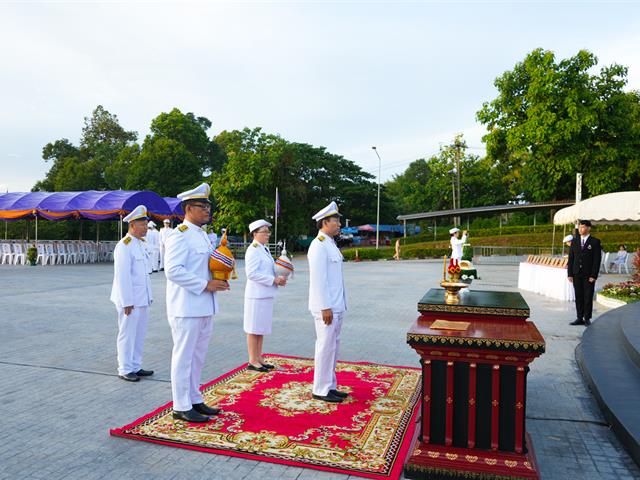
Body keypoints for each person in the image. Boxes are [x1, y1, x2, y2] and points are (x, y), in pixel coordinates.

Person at [164, 183, 230, 423]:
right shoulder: (179, 234)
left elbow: (204, 267)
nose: (208, 211)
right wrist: (205, 285)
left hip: (204, 305)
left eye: (208, 206)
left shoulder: (202, 235)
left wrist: (218, 279)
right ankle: (181, 405)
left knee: (197, 356)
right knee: (183, 356)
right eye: (203, 206)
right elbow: (173, 270)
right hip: (186, 306)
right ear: (189, 208)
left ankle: (194, 397)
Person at [308, 201, 348, 403]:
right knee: (324, 346)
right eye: (336, 220)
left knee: (332, 346)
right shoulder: (318, 246)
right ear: (325, 222)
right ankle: (320, 389)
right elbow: (318, 280)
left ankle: (330, 385)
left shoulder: (330, 243)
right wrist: (325, 306)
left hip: (336, 305)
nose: (339, 224)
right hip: (326, 307)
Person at [110, 205, 154, 382]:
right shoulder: (124, 246)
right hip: (129, 300)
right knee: (127, 334)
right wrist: (127, 301)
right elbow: (123, 276)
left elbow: (144, 274)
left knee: (139, 334)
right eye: (143, 224)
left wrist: (149, 296)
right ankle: (125, 368)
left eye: (146, 224)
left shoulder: (140, 244)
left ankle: (136, 365)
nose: (146, 228)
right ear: (133, 225)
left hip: (142, 298)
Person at [243, 219, 287, 372]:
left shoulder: (263, 249)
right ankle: (252, 360)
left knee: (260, 328)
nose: (267, 235)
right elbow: (252, 274)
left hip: (265, 294)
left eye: (268, 232)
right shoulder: (253, 249)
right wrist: (273, 280)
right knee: (253, 328)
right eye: (264, 232)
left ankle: (259, 357)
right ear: (255, 234)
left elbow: (268, 269)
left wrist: (280, 276)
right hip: (256, 295)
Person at [568, 220, 602, 326]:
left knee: (588, 296)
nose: (580, 229)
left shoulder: (595, 242)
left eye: (582, 227)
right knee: (578, 296)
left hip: (588, 275)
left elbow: (597, 260)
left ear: (588, 228)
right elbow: (571, 258)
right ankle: (579, 317)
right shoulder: (574, 241)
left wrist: (593, 275)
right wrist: (570, 274)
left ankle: (587, 318)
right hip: (576, 273)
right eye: (579, 227)